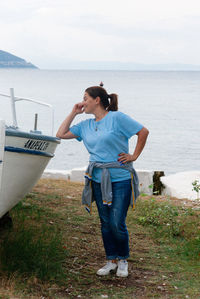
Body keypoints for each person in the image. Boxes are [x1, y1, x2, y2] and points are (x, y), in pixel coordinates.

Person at [56, 85, 149, 278]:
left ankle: (123, 260)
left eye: (85, 98)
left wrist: (134, 156)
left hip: (121, 178)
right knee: (105, 222)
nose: (83, 102)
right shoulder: (85, 125)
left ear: (96, 100)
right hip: (97, 179)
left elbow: (143, 132)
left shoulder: (117, 118)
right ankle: (110, 260)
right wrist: (73, 112)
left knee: (117, 221)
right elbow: (61, 134)